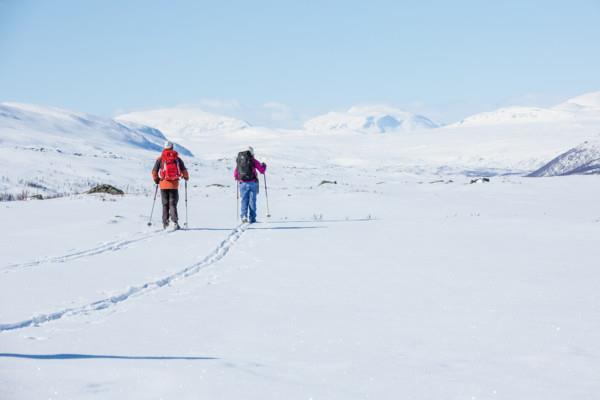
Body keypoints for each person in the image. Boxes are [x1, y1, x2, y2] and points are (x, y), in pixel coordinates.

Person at [151, 141, 189, 230]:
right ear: (172, 147)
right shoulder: (177, 159)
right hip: (174, 185)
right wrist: (186, 177)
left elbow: (154, 171)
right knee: (173, 204)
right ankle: (175, 222)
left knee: (165, 204)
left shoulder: (160, 159)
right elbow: (184, 170)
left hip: (163, 185)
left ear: (164, 148)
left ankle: (165, 223)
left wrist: (157, 179)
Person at [234, 146, 266, 223]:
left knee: (244, 200)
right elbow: (262, 170)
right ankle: (252, 218)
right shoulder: (253, 160)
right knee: (252, 201)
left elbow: (235, 173)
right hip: (252, 183)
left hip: (242, 183)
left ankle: (244, 216)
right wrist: (264, 166)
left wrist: (239, 179)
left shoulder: (240, 161)